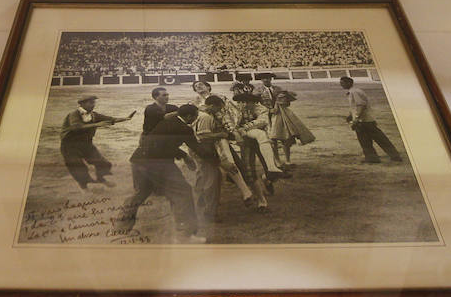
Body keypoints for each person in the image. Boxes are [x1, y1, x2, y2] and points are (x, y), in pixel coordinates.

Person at [116, 104, 213, 243]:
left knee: (140, 193)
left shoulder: (164, 123)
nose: (196, 118)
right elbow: (198, 149)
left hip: (138, 160)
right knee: (183, 192)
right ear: (189, 116)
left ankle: (119, 229)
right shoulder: (185, 129)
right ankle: (185, 235)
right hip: (158, 163)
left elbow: (161, 144)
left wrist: (184, 156)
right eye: (195, 116)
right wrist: (217, 159)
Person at [192, 95, 254, 230]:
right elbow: (202, 137)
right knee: (211, 179)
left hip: (205, 149)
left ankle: (202, 206)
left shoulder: (203, 114)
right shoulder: (205, 116)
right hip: (206, 150)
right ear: (212, 106)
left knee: (204, 178)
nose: (220, 111)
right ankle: (207, 212)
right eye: (218, 108)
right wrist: (221, 135)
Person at [60, 95, 135, 190]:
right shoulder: (74, 114)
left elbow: (110, 119)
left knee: (103, 163)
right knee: (77, 166)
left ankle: (101, 179)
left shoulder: (94, 115)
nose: (93, 105)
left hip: (86, 144)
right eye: (91, 103)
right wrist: (97, 124)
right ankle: (84, 188)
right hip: (69, 145)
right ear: (82, 104)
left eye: (94, 102)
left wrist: (125, 118)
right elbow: (76, 127)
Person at [340, 76, 402, 163]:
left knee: (373, 139)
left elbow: (360, 105)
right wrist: (351, 115)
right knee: (368, 140)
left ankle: (390, 156)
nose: (341, 85)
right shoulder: (354, 91)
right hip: (365, 120)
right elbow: (356, 106)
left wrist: (356, 119)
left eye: (342, 83)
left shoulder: (354, 92)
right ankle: (375, 158)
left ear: (349, 83)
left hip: (364, 121)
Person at [268, 90, 315, 169]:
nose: (283, 99)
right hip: (272, 118)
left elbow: (291, 98)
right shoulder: (260, 91)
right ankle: (278, 161)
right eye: (281, 98)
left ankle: (286, 160)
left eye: (283, 98)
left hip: (281, 117)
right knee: (274, 140)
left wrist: (282, 96)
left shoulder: (277, 90)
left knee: (285, 139)